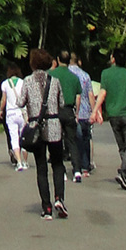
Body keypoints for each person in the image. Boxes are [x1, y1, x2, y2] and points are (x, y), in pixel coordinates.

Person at [20, 48, 67, 220]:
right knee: (57, 164)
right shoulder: (54, 81)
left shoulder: (27, 81)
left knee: (41, 168)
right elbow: (61, 102)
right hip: (54, 125)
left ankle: (46, 207)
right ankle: (59, 198)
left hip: (36, 127)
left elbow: (20, 102)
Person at [91, 48, 126, 189]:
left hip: (113, 115)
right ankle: (124, 172)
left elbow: (102, 93)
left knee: (122, 146)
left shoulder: (106, 73)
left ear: (113, 59)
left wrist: (95, 111)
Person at [52, 51, 84, 182]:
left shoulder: (52, 75)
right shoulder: (74, 77)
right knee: (72, 142)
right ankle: (77, 171)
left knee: (57, 142)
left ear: (58, 59)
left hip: (56, 111)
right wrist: (76, 113)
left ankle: (62, 171)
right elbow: (78, 97)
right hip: (69, 110)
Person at [68, 51, 94, 174]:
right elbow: (90, 95)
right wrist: (94, 111)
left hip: (72, 112)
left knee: (74, 141)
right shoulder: (85, 75)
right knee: (86, 139)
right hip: (85, 112)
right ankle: (86, 166)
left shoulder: (67, 74)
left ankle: (77, 165)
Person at [0, 61, 27, 168]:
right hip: (21, 112)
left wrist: (1, 110)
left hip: (11, 113)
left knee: (14, 138)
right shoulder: (22, 82)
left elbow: (4, 100)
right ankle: (25, 161)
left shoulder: (5, 84)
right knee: (23, 137)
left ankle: (18, 162)